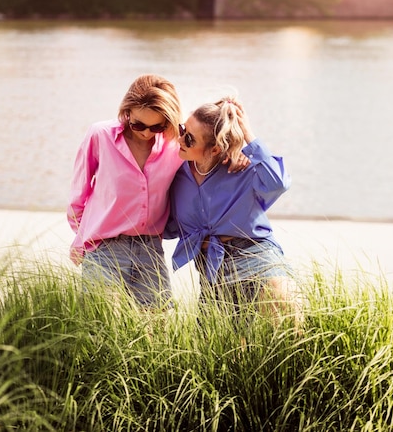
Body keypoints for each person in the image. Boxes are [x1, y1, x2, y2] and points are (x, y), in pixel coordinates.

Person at [166, 97, 299, 320]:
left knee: (286, 310)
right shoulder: (176, 172)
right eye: (182, 130)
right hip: (211, 268)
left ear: (215, 149)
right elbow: (165, 222)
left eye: (189, 138)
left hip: (254, 254)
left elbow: (278, 183)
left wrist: (248, 134)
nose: (180, 139)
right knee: (218, 347)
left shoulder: (242, 166)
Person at [67, 74, 184, 308]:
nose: (147, 133)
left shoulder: (175, 145)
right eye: (139, 125)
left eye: (157, 126)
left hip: (150, 247)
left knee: (154, 330)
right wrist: (84, 239)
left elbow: (210, 147)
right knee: (100, 325)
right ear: (127, 111)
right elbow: (78, 196)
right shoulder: (100, 135)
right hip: (105, 246)